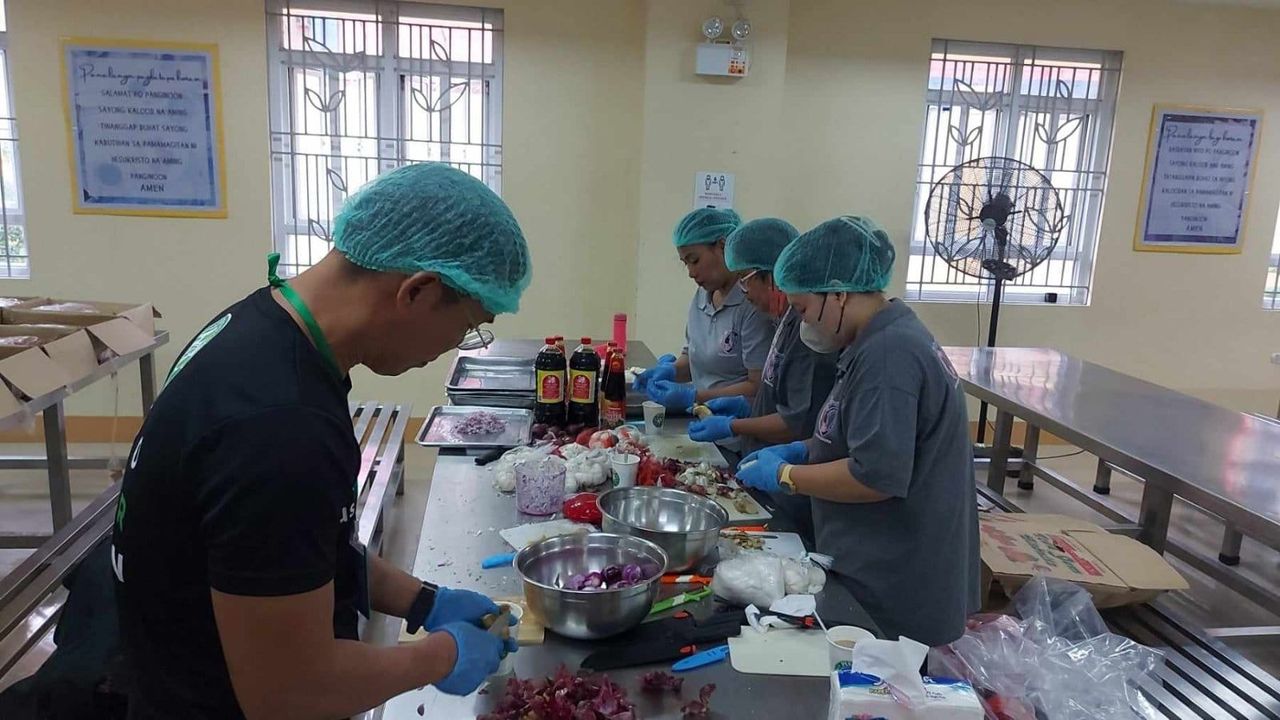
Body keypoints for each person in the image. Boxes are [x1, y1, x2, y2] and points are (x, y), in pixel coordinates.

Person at [111, 163, 528, 719]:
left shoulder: (258, 326)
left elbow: (295, 546)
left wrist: (423, 601)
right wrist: (441, 656)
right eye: (468, 327)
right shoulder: (280, 426)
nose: (458, 345)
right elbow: (290, 693)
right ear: (418, 291)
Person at [735, 216, 980, 647]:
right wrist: (803, 449)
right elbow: (853, 434)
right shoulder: (873, 340)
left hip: (896, 577)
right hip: (871, 559)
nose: (801, 324)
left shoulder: (889, 354)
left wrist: (787, 476)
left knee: (881, 681)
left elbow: (875, 475)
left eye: (802, 309)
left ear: (838, 293)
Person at [685, 218, 837, 540]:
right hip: (765, 475)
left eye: (745, 281)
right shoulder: (783, 322)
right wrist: (745, 405)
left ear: (772, 277)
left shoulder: (808, 334)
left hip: (790, 489)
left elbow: (795, 421)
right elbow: (773, 392)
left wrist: (734, 425)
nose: (744, 293)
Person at [634, 208, 775, 423]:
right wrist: (670, 371)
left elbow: (757, 386)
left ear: (722, 246)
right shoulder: (702, 297)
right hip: (703, 421)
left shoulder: (751, 302)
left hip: (737, 427)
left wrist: (695, 396)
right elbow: (692, 358)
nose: (691, 272)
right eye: (685, 263)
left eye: (695, 260)